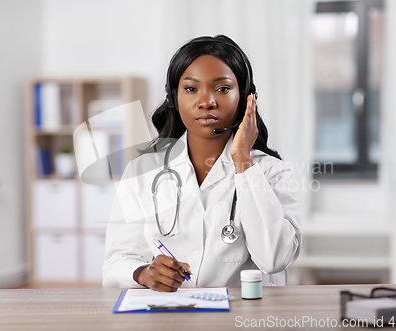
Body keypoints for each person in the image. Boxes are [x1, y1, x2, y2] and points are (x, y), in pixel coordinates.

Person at [102, 35, 301, 291]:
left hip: (244, 317)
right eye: (191, 89)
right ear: (173, 98)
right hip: (171, 315)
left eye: (222, 88)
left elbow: (274, 259)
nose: (207, 102)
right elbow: (116, 261)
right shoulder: (141, 171)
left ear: (246, 98)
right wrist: (143, 273)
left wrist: (243, 161)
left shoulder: (272, 172)